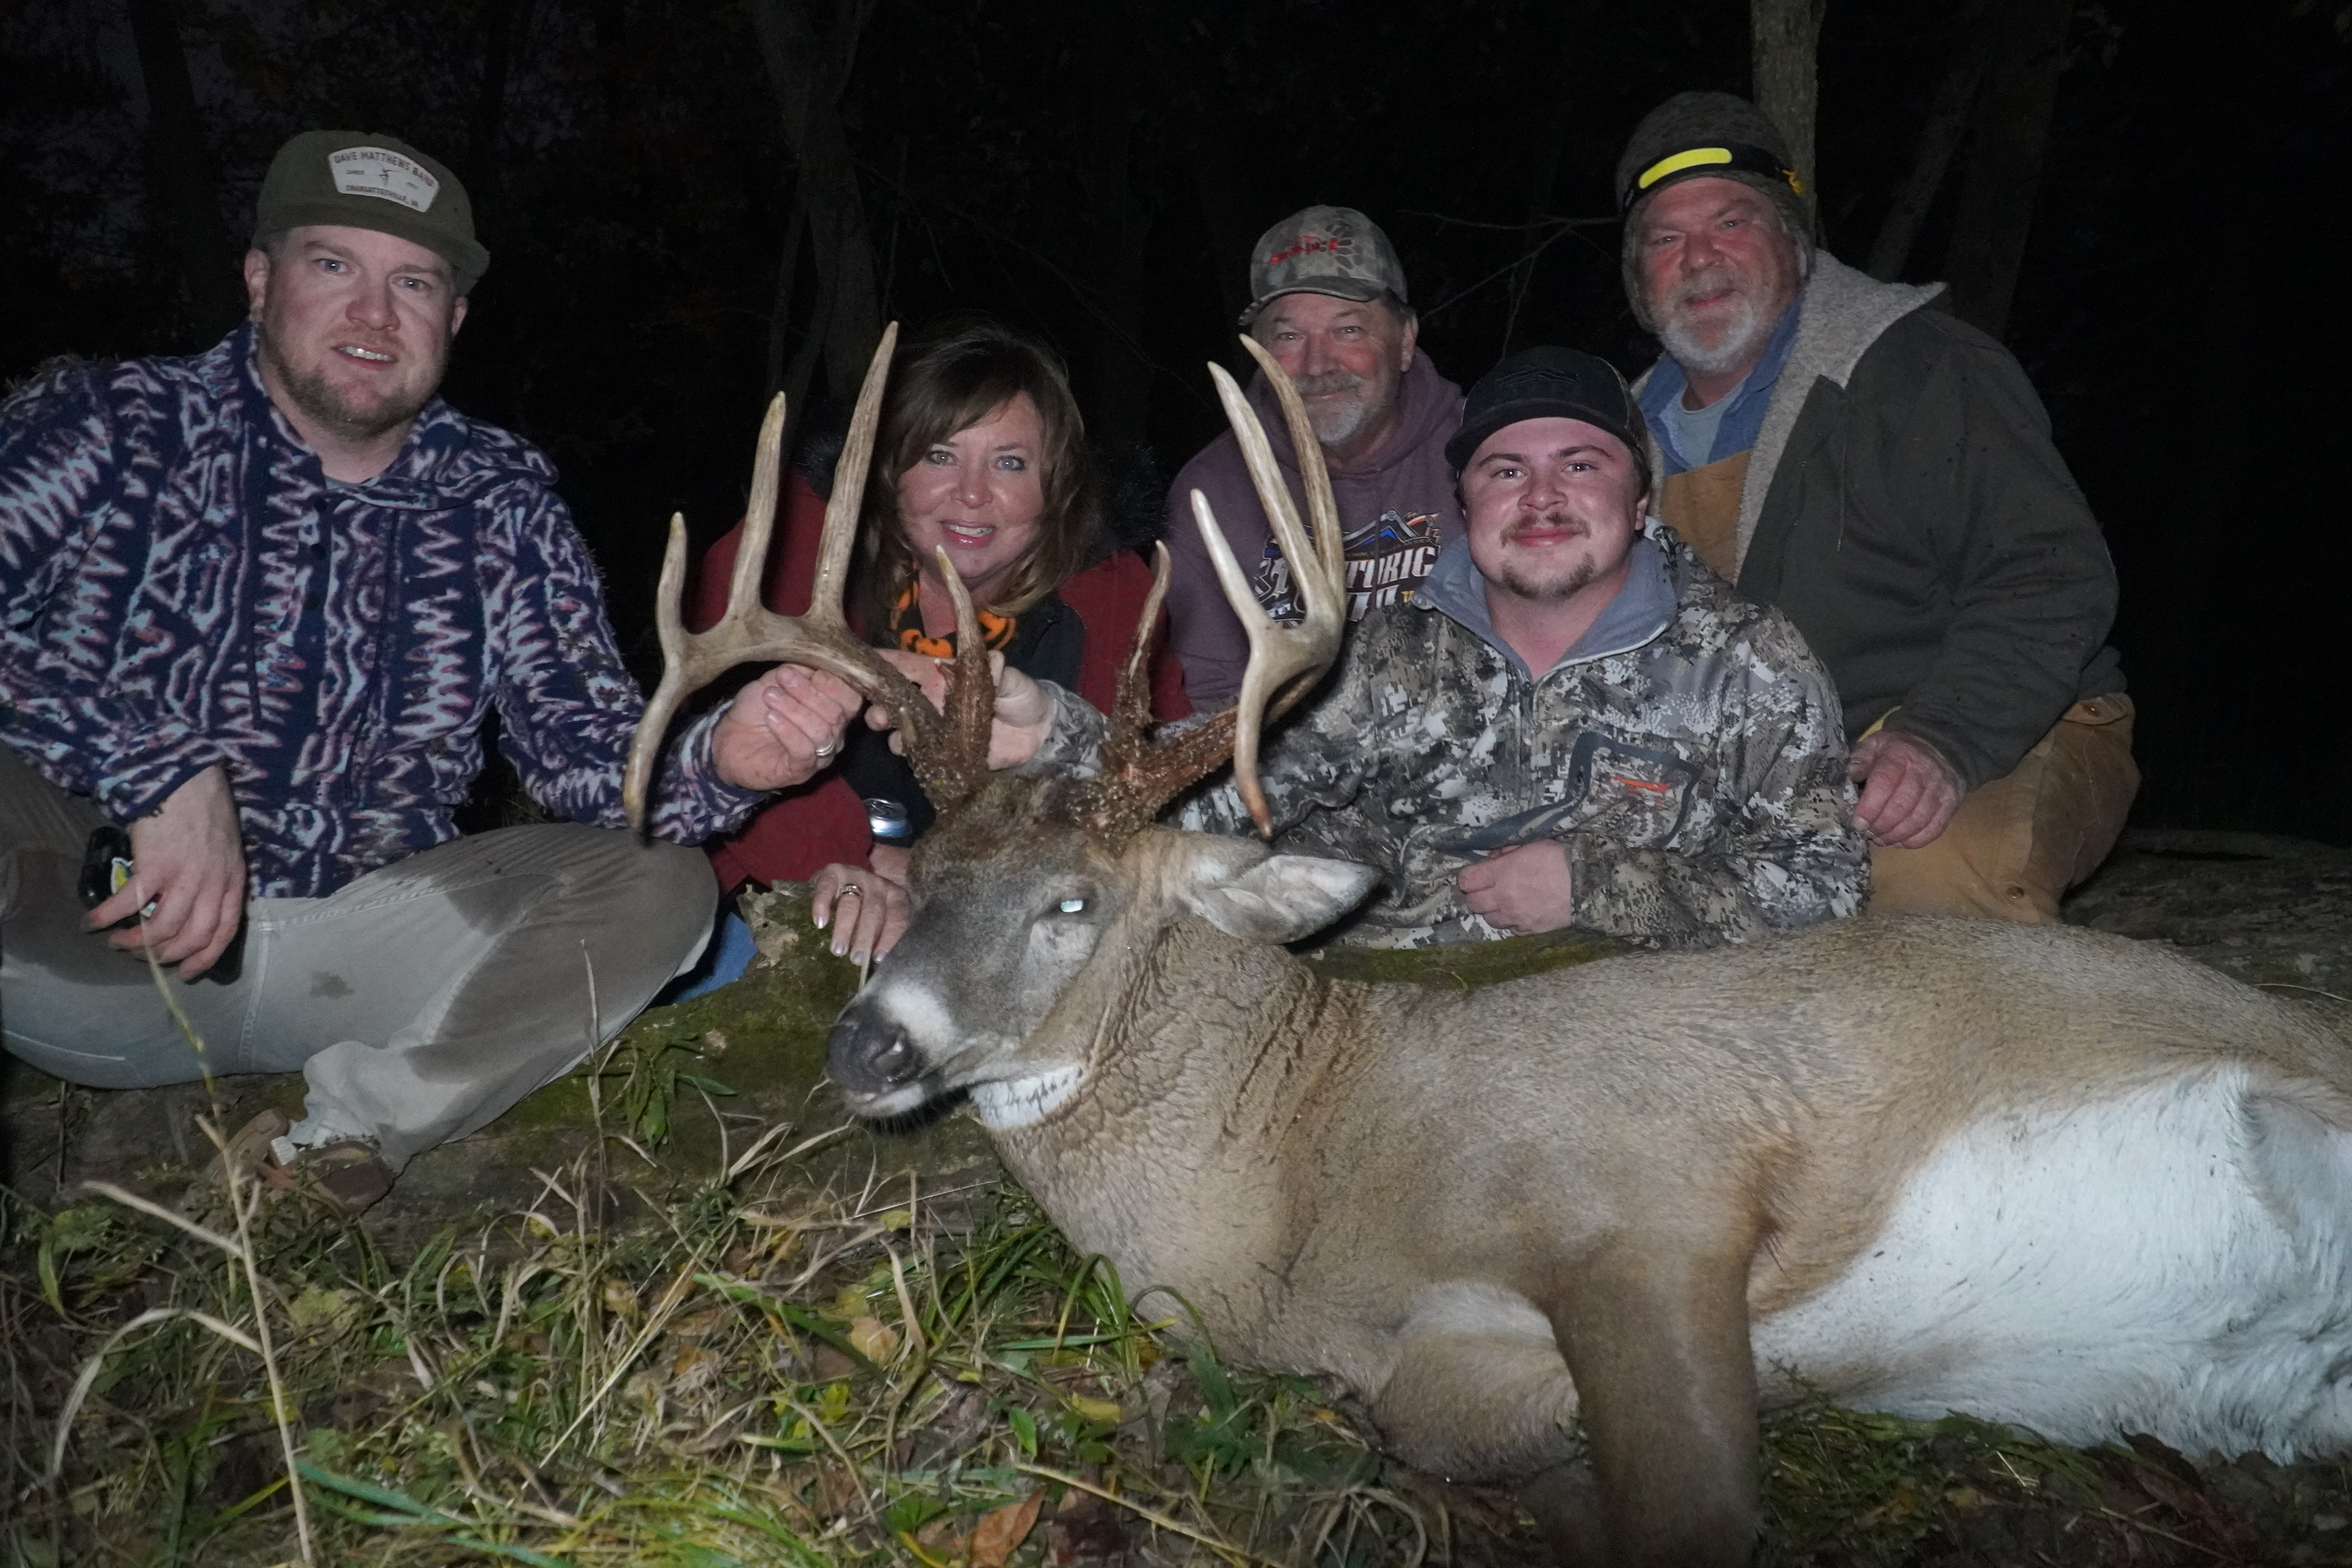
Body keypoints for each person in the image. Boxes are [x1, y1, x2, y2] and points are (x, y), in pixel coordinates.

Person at [0, 131, 855, 1211]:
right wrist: (155, 766)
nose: (373, 313)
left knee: (662, 885)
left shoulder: (497, 498)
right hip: (91, 933)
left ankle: (342, 1142)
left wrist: (724, 759)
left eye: (414, 283)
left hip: (356, 962)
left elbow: (590, 754)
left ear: (453, 319)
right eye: (333, 267)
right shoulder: (116, 427)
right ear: (260, 280)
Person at [955, 347, 1867, 949]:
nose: (1541, 497)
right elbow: (1223, 790)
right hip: (1398, 1033)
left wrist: (1598, 883)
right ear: (1466, 508)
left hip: (1648, 1053)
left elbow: (1830, 888)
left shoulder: (1747, 664)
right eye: (1505, 471)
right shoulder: (1382, 656)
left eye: (1581, 466)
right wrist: (1057, 735)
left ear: (1638, 503)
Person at [1615, 91, 2134, 923]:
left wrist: (1942, 740)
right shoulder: (1611, 444)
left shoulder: (1924, 370)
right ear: (1640, 281)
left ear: (1795, 238)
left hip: (2007, 719)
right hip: (1770, 773)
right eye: (1665, 240)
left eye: (1732, 223)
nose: (1700, 258)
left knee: (1923, 877)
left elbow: (2052, 574)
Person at [689, 319, 1187, 969]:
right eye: (939, 456)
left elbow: (1154, 782)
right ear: (890, 470)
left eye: (1011, 463)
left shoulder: (1115, 599)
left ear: (1056, 483)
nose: (973, 494)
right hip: (779, 891)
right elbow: (708, 734)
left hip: (1009, 917)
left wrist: (932, 881)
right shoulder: (790, 549)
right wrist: (842, 861)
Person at [1161, 205, 1465, 709]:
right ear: (1257, 348)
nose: (1317, 365)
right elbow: (1208, 695)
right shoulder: (1210, 494)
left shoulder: (1490, 458)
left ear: (1405, 340)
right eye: (1289, 337)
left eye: (1348, 331)